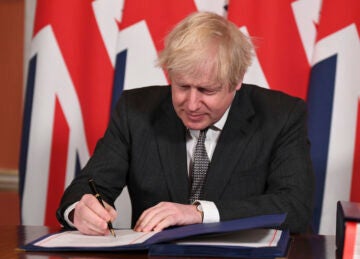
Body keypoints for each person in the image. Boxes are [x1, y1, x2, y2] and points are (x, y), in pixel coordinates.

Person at [56, 11, 315, 235]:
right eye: (181, 87)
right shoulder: (135, 110)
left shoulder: (281, 115)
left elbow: (294, 208)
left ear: (237, 81)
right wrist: (80, 210)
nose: (191, 104)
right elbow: (87, 187)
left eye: (207, 91)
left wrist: (199, 213)